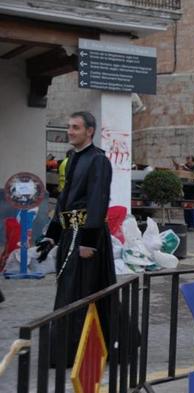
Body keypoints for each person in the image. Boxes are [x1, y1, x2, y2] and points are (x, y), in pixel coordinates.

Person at [38, 111, 116, 367]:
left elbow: (97, 200)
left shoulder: (98, 161)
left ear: (89, 131)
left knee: (80, 292)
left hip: (86, 239)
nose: (70, 131)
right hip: (71, 235)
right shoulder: (72, 159)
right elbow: (64, 200)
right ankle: (80, 347)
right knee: (73, 290)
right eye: (69, 127)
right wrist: (51, 237)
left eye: (75, 127)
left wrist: (89, 241)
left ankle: (76, 351)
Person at [173, 155, 194, 231]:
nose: (187, 163)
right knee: (186, 208)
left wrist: (187, 169)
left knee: (193, 208)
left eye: (189, 162)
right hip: (186, 190)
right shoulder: (186, 165)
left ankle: (193, 225)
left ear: (193, 161)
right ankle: (187, 224)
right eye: (187, 161)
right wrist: (178, 167)